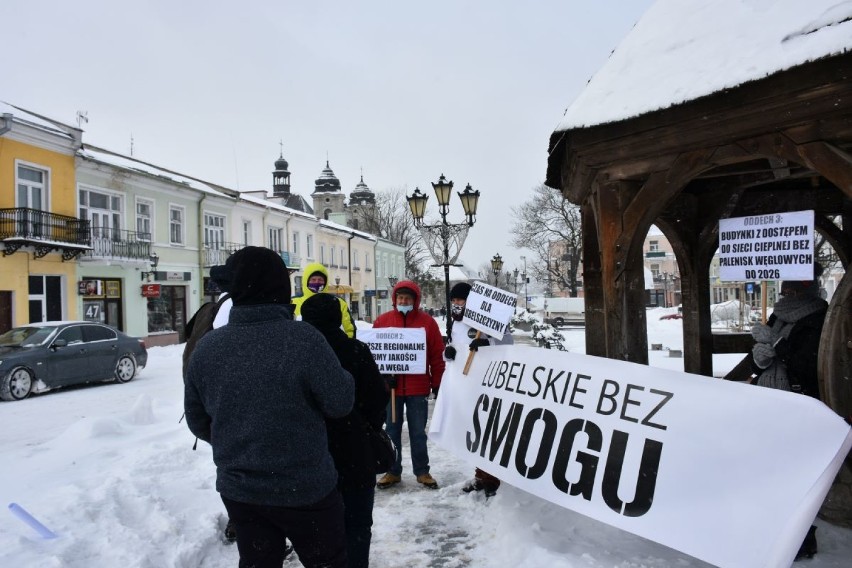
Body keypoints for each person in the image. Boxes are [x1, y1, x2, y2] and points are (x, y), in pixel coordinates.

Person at [184, 246, 355, 568]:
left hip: (242, 491)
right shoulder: (304, 339)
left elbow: (197, 421)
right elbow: (339, 403)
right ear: (281, 288)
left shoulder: (208, 348)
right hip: (307, 487)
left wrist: (241, 442)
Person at [301, 293, 389, 568]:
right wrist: (367, 427)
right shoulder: (356, 350)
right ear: (338, 318)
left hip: (311, 455)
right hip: (355, 452)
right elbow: (376, 399)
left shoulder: (297, 355)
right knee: (357, 525)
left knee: (317, 530)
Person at [749, 264, 828, 561]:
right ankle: (775, 529)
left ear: (805, 290)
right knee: (770, 472)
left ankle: (802, 538)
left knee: (797, 475)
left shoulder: (818, 318)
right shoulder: (778, 315)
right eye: (783, 290)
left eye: (792, 291)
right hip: (772, 402)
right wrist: (759, 357)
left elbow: (807, 365)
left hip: (800, 401)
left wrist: (776, 344)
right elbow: (762, 360)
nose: (785, 295)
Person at [442, 282, 513, 497]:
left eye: (460, 300)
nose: (456, 304)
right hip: (468, 384)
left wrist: (487, 347)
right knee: (475, 430)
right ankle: (481, 473)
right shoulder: (455, 323)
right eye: (453, 301)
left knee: (490, 429)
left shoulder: (489, 320)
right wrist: (449, 354)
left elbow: (507, 344)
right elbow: (454, 349)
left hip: (490, 382)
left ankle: (492, 478)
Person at [373, 280, 446, 489]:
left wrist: (437, 383)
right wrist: (382, 380)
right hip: (392, 388)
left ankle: (422, 471)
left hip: (417, 388)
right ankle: (392, 471)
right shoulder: (382, 321)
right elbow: (374, 355)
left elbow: (436, 356)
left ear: (415, 300)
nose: (403, 301)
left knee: (417, 432)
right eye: (400, 298)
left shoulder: (428, 323)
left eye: (408, 298)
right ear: (395, 300)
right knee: (391, 432)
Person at [291, 262, 357, 338]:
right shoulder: (294, 303)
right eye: (313, 279)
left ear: (325, 282)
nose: (317, 282)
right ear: (306, 281)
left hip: (332, 348)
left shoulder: (338, 303)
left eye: (320, 280)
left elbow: (349, 330)